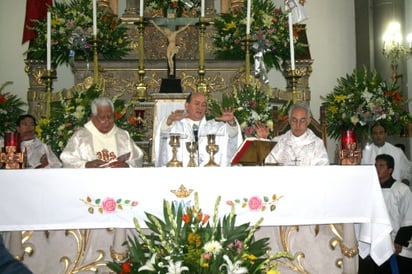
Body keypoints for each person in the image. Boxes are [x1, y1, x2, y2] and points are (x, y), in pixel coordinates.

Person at [154, 92, 243, 167]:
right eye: (196, 103)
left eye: (203, 105)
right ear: (187, 105)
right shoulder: (175, 126)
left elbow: (232, 136)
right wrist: (170, 120)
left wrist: (231, 122)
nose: (200, 107)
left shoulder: (214, 126)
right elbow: (162, 135)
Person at [359, 154, 412, 274]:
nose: (377, 169)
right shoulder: (371, 189)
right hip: (377, 240)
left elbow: (409, 217)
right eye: (376, 165)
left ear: (390, 170)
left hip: (396, 243)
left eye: (381, 166)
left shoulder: (402, 189)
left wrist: (399, 242)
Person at [60, 97, 144, 168]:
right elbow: (66, 158)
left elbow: (138, 158)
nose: (107, 121)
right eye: (102, 118)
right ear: (93, 117)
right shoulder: (80, 137)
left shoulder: (123, 136)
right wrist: (86, 164)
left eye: (110, 117)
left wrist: (127, 165)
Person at [255, 102, 329, 165]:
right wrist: (263, 140)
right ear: (289, 121)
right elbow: (266, 167)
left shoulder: (317, 144)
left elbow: (323, 171)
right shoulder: (278, 142)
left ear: (308, 121)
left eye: (302, 121)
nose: (298, 125)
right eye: (294, 120)